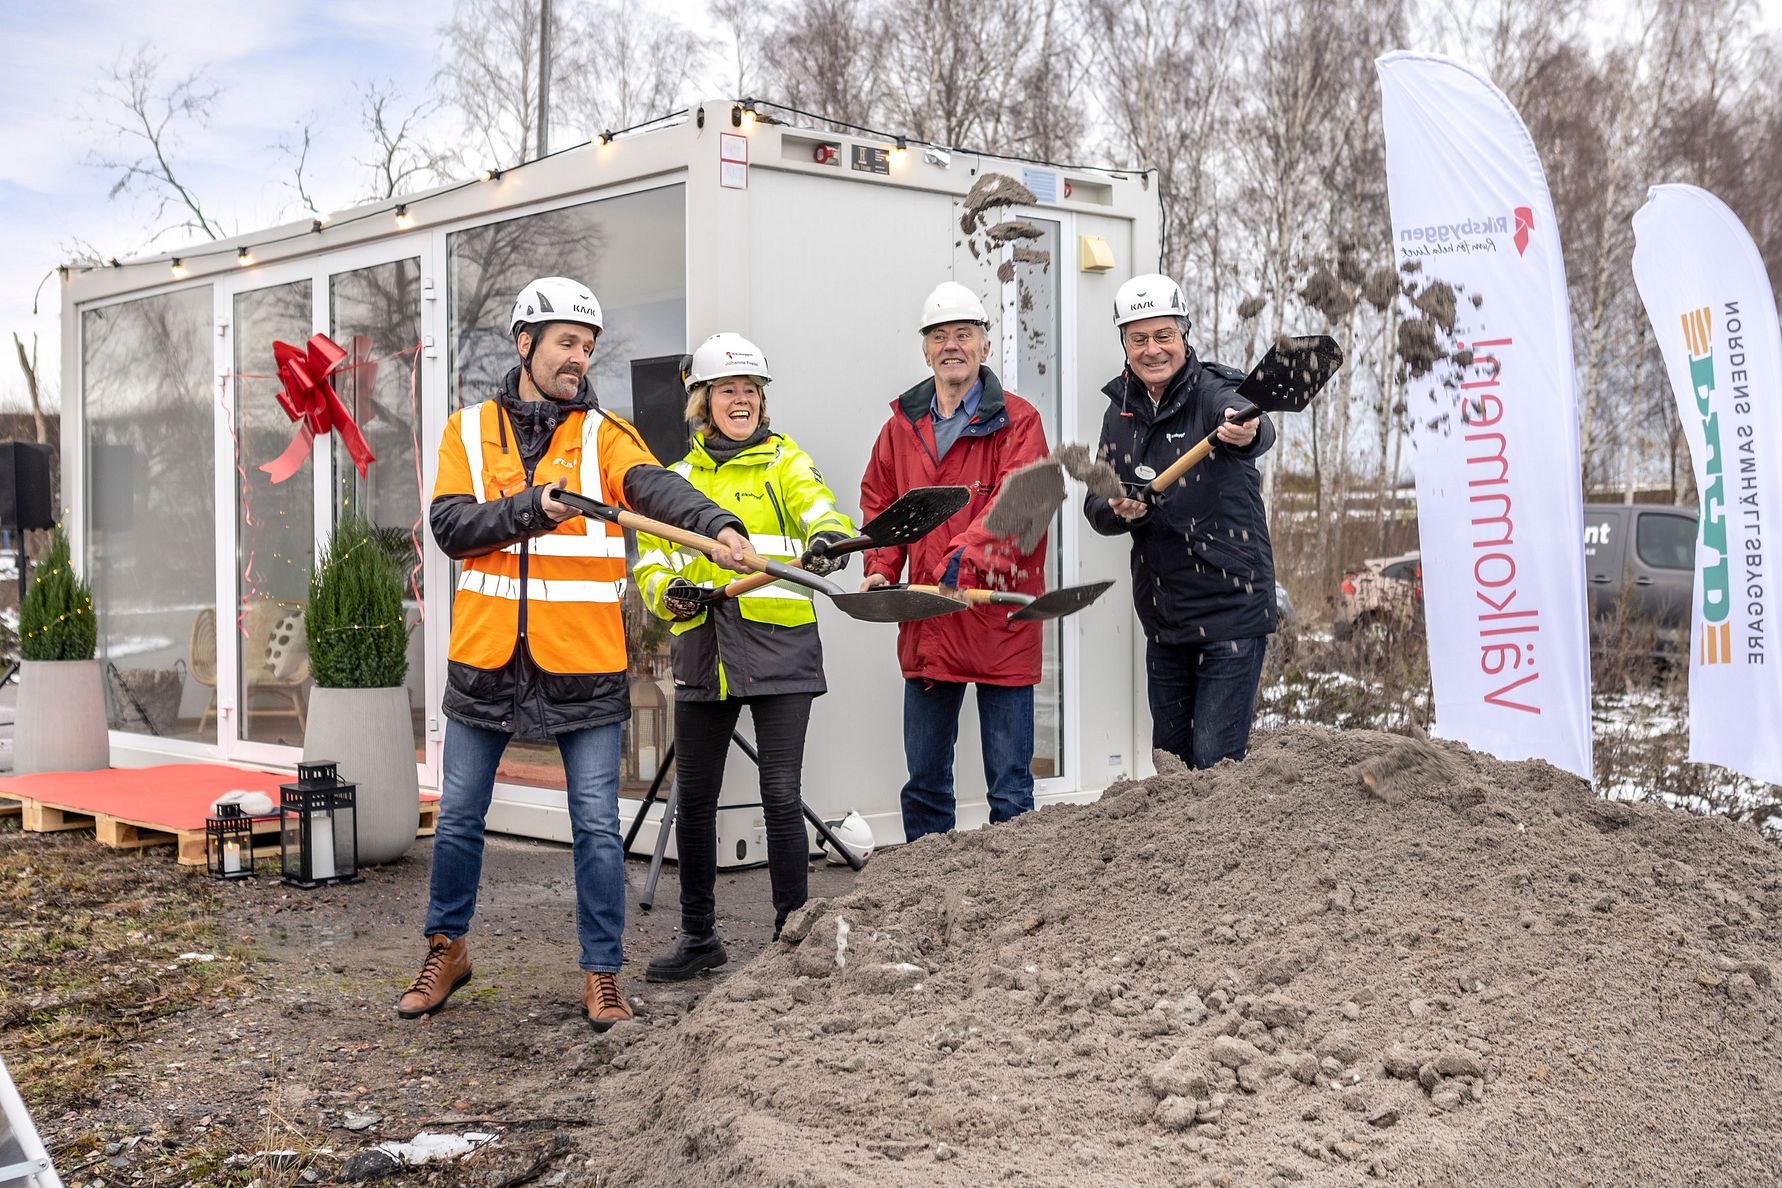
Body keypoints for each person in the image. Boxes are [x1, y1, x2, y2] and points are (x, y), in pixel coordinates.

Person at [399, 277, 759, 1031]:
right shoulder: (468, 431)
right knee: (459, 817)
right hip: (486, 660)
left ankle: (603, 974)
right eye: (566, 342)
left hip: (583, 665)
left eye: (588, 347)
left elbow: (656, 489)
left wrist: (718, 526)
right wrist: (532, 507)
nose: (578, 358)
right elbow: (452, 527)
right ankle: (446, 949)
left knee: (596, 826)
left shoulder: (604, 435)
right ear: (524, 342)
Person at [632, 333, 858, 978]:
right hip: (705, 652)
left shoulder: (786, 462)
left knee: (780, 796)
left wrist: (828, 539)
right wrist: (668, 593)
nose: (741, 401)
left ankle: (792, 938)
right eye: (728, 390)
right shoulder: (678, 481)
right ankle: (699, 938)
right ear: (702, 401)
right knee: (695, 800)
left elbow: (820, 509)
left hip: (781, 650)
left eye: (751, 391)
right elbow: (651, 562)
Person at [859, 281, 1050, 842]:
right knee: (925, 785)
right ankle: (925, 886)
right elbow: (882, 503)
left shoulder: (1019, 421)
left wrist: (958, 562)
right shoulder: (901, 428)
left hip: (997, 619)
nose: (951, 346)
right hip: (930, 621)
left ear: (985, 346)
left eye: (963, 334)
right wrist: (881, 566)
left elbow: (1021, 505)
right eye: (939, 336)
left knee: (1009, 788)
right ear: (925, 350)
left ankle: (1013, 888)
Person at [1083, 273, 1277, 770]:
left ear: (1184, 333)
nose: (1152, 350)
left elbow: (1252, 422)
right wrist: (1117, 508)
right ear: (1124, 343)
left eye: (1163, 335)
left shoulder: (1214, 390)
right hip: (1164, 615)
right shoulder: (1120, 413)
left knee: (1215, 763)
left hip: (1230, 608)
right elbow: (1096, 504)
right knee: (1170, 764)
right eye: (1139, 339)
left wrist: (1246, 428)